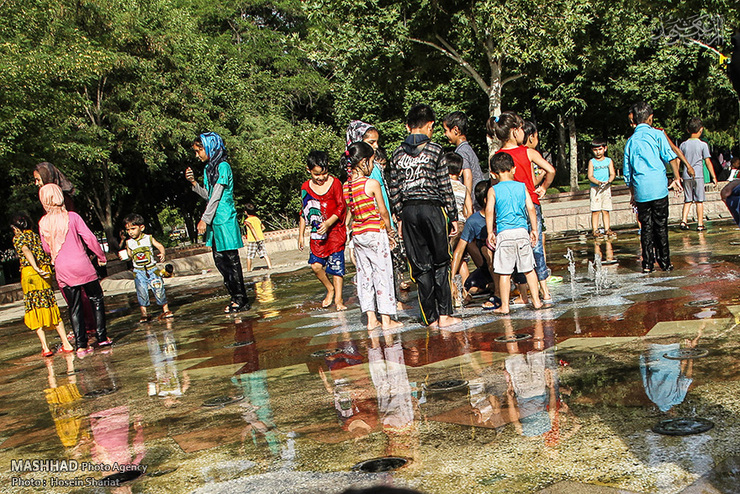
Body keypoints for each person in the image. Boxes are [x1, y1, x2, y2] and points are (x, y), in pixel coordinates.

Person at [387, 104, 460, 328]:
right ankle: (445, 315)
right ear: (430, 125)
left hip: (409, 212)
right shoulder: (435, 150)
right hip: (432, 209)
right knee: (440, 261)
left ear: (408, 126)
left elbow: (394, 189)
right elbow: (444, 184)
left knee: (420, 266)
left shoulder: (397, 154)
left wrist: (400, 217)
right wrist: (453, 214)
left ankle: (430, 318)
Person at [488, 112, 555, 304]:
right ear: (514, 131)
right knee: (536, 248)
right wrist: (542, 187)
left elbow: (495, 186)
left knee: (514, 253)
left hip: (508, 213)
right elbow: (551, 170)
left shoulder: (497, 158)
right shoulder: (528, 152)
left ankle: (523, 295)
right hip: (531, 203)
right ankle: (544, 291)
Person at [38, 184, 109, 357]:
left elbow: (46, 249)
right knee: (96, 299)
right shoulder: (73, 217)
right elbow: (90, 239)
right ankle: (102, 338)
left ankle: (81, 346)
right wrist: (101, 256)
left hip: (63, 269)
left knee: (74, 306)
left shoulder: (43, 223)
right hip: (83, 265)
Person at [186, 132, 249, 313]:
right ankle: (234, 296)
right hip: (214, 219)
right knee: (219, 260)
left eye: (200, 151)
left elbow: (217, 195)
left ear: (211, 147)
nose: (198, 155)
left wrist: (204, 218)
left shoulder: (223, 167)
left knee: (231, 259)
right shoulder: (209, 169)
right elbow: (208, 194)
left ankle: (241, 298)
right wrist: (193, 183)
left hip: (224, 218)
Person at [344, 142, 402, 330]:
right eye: (371, 161)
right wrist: (390, 230)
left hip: (359, 236)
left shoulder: (347, 186)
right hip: (375, 234)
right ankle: (386, 319)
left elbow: (350, 214)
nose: (373, 166)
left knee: (365, 276)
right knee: (383, 274)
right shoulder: (372, 184)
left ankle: (370, 319)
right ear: (363, 162)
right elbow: (383, 211)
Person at [623, 102, 683, 273]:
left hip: (641, 190)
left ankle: (647, 263)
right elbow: (671, 157)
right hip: (659, 188)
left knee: (646, 227)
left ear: (634, 119)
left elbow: (628, 173)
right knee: (661, 225)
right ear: (650, 118)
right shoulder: (657, 135)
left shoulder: (630, 142)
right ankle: (665, 262)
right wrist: (677, 177)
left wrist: (633, 193)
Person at [486, 153, 543, 315]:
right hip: (522, 231)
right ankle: (537, 301)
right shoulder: (521, 186)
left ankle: (505, 306)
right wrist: (534, 229)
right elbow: (531, 208)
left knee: (504, 272)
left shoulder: (493, 190)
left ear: (493, 174)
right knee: (529, 269)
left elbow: (490, 211)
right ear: (514, 169)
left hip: (504, 233)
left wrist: (490, 231)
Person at [11, 213, 75, 357]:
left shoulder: (19, 238)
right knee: (50, 304)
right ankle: (66, 343)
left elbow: (25, 250)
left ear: (15, 228)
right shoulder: (36, 236)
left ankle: (45, 347)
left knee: (34, 307)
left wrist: (35, 268)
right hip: (45, 272)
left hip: (31, 274)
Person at [298, 150, 347, 310]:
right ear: (309, 170)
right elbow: (303, 211)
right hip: (317, 233)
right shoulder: (306, 187)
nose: (321, 178)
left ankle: (339, 300)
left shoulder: (335, 183)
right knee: (316, 266)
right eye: (317, 174)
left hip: (335, 232)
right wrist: (301, 235)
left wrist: (328, 223)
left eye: (324, 173)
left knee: (336, 267)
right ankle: (330, 289)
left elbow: (341, 207)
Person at [450, 181, 499, 308]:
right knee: (470, 286)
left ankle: (499, 289)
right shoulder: (473, 221)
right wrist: (451, 280)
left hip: (502, 261)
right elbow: (459, 251)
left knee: (485, 249)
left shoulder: (501, 215)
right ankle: (493, 285)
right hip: (486, 267)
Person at [123, 214, 172, 323]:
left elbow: (159, 246)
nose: (130, 232)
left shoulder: (148, 238)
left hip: (152, 269)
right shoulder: (129, 242)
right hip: (139, 271)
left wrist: (162, 253)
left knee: (159, 288)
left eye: (133, 229)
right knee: (141, 292)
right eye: (128, 230)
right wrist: (126, 255)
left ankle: (165, 309)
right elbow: (130, 254)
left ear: (141, 228)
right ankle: (144, 314)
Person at [679, 117, 718, 231]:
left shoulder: (683, 145)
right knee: (699, 200)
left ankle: (683, 221)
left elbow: (678, 160)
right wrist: (713, 176)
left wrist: (678, 175)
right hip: (699, 175)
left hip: (686, 175)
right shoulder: (703, 145)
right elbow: (707, 161)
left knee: (688, 199)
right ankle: (700, 224)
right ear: (701, 130)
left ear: (688, 130)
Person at [443, 111, 486, 210]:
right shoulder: (467, 149)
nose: (445, 134)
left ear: (455, 130)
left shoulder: (462, 151)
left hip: (473, 205)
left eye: (446, 130)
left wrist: (467, 205)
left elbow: (467, 175)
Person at [587, 138, 617, 238]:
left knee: (606, 209)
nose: (598, 152)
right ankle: (595, 230)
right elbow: (590, 176)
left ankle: (607, 229)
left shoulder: (608, 161)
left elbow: (612, 174)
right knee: (595, 210)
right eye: (595, 150)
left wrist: (609, 181)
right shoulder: (592, 162)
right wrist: (598, 182)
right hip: (595, 189)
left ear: (605, 149)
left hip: (606, 188)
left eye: (600, 149)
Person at [243, 203, 272, 271]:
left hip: (253, 240)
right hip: (261, 238)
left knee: (249, 255)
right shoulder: (257, 219)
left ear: (246, 212)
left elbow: (252, 229)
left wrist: (256, 237)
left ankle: (248, 270)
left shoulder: (247, 221)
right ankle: (270, 266)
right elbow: (263, 227)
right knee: (264, 253)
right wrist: (259, 233)